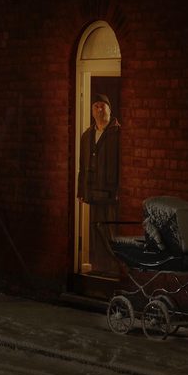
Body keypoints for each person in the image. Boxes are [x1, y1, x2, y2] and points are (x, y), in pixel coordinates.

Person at [76, 94, 121, 272]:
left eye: (103, 105)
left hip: (111, 194)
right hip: (92, 192)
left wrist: (119, 190)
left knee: (111, 232)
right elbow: (82, 164)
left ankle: (114, 269)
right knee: (96, 231)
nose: (99, 109)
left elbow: (123, 165)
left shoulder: (118, 133)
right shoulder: (87, 135)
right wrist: (81, 190)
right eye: (96, 106)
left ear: (110, 109)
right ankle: (99, 267)